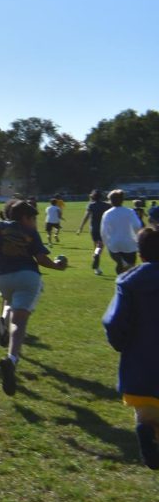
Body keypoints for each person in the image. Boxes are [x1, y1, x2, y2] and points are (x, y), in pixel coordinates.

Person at [0, 199, 69, 397]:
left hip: (2, 277)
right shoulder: (30, 232)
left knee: (9, 302)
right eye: (33, 219)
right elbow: (41, 259)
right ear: (25, 218)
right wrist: (57, 265)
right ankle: (11, 359)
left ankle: (3, 322)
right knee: (20, 322)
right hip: (27, 276)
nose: (34, 223)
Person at [102, 227, 159, 470]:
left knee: (146, 414)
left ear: (141, 253)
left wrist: (120, 343)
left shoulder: (129, 281)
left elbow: (113, 321)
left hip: (141, 360)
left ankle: (147, 436)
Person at [101, 189, 144, 274]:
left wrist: (107, 243)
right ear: (122, 200)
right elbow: (137, 226)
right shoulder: (130, 211)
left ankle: (121, 272)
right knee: (131, 266)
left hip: (114, 244)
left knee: (120, 264)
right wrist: (138, 238)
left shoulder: (107, 213)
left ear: (111, 201)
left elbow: (103, 231)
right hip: (129, 243)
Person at [77, 189, 112, 275]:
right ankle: (96, 263)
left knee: (96, 246)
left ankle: (97, 267)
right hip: (103, 228)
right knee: (100, 246)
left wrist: (80, 228)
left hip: (93, 229)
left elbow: (86, 217)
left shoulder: (91, 205)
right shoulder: (106, 205)